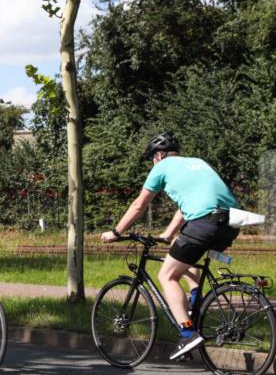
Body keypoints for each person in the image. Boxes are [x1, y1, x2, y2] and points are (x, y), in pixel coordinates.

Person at [101, 132, 240, 360]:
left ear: (159, 155)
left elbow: (139, 205)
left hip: (204, 223)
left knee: (167, 275)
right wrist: (168, 234)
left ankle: (187, 333)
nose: (153, 162)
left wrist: (116, 232)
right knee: (182, 251)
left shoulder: (161, 167)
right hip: (231, 222)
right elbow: (187, 206)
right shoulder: (197, 162)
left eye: (152, 158)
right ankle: (195, 303)